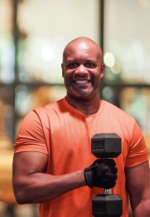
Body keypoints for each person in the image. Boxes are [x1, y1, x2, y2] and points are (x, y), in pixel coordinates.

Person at [12, 37, 150, 217]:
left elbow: (143, 199)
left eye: (90, 64)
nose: (81, 71)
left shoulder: (127, 124)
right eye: (73, 64)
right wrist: (86, 176)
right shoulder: (39, 120)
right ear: (63, 70)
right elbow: (23, 189)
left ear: (101, 70)